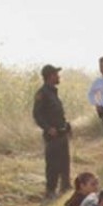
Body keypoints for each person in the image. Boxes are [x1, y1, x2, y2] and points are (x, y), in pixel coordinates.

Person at [33, 64, 72, 198]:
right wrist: (48, 128)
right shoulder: (42, 93)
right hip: (52, 135)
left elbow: (56, 113)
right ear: (50, 76)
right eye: (56, 74)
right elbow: (37, 115)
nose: (59, 76)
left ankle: (65, 186)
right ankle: (50, 190)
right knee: (53, 164)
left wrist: (66, 125)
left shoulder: (53, 92)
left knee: (64, 161)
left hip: (61, 133)